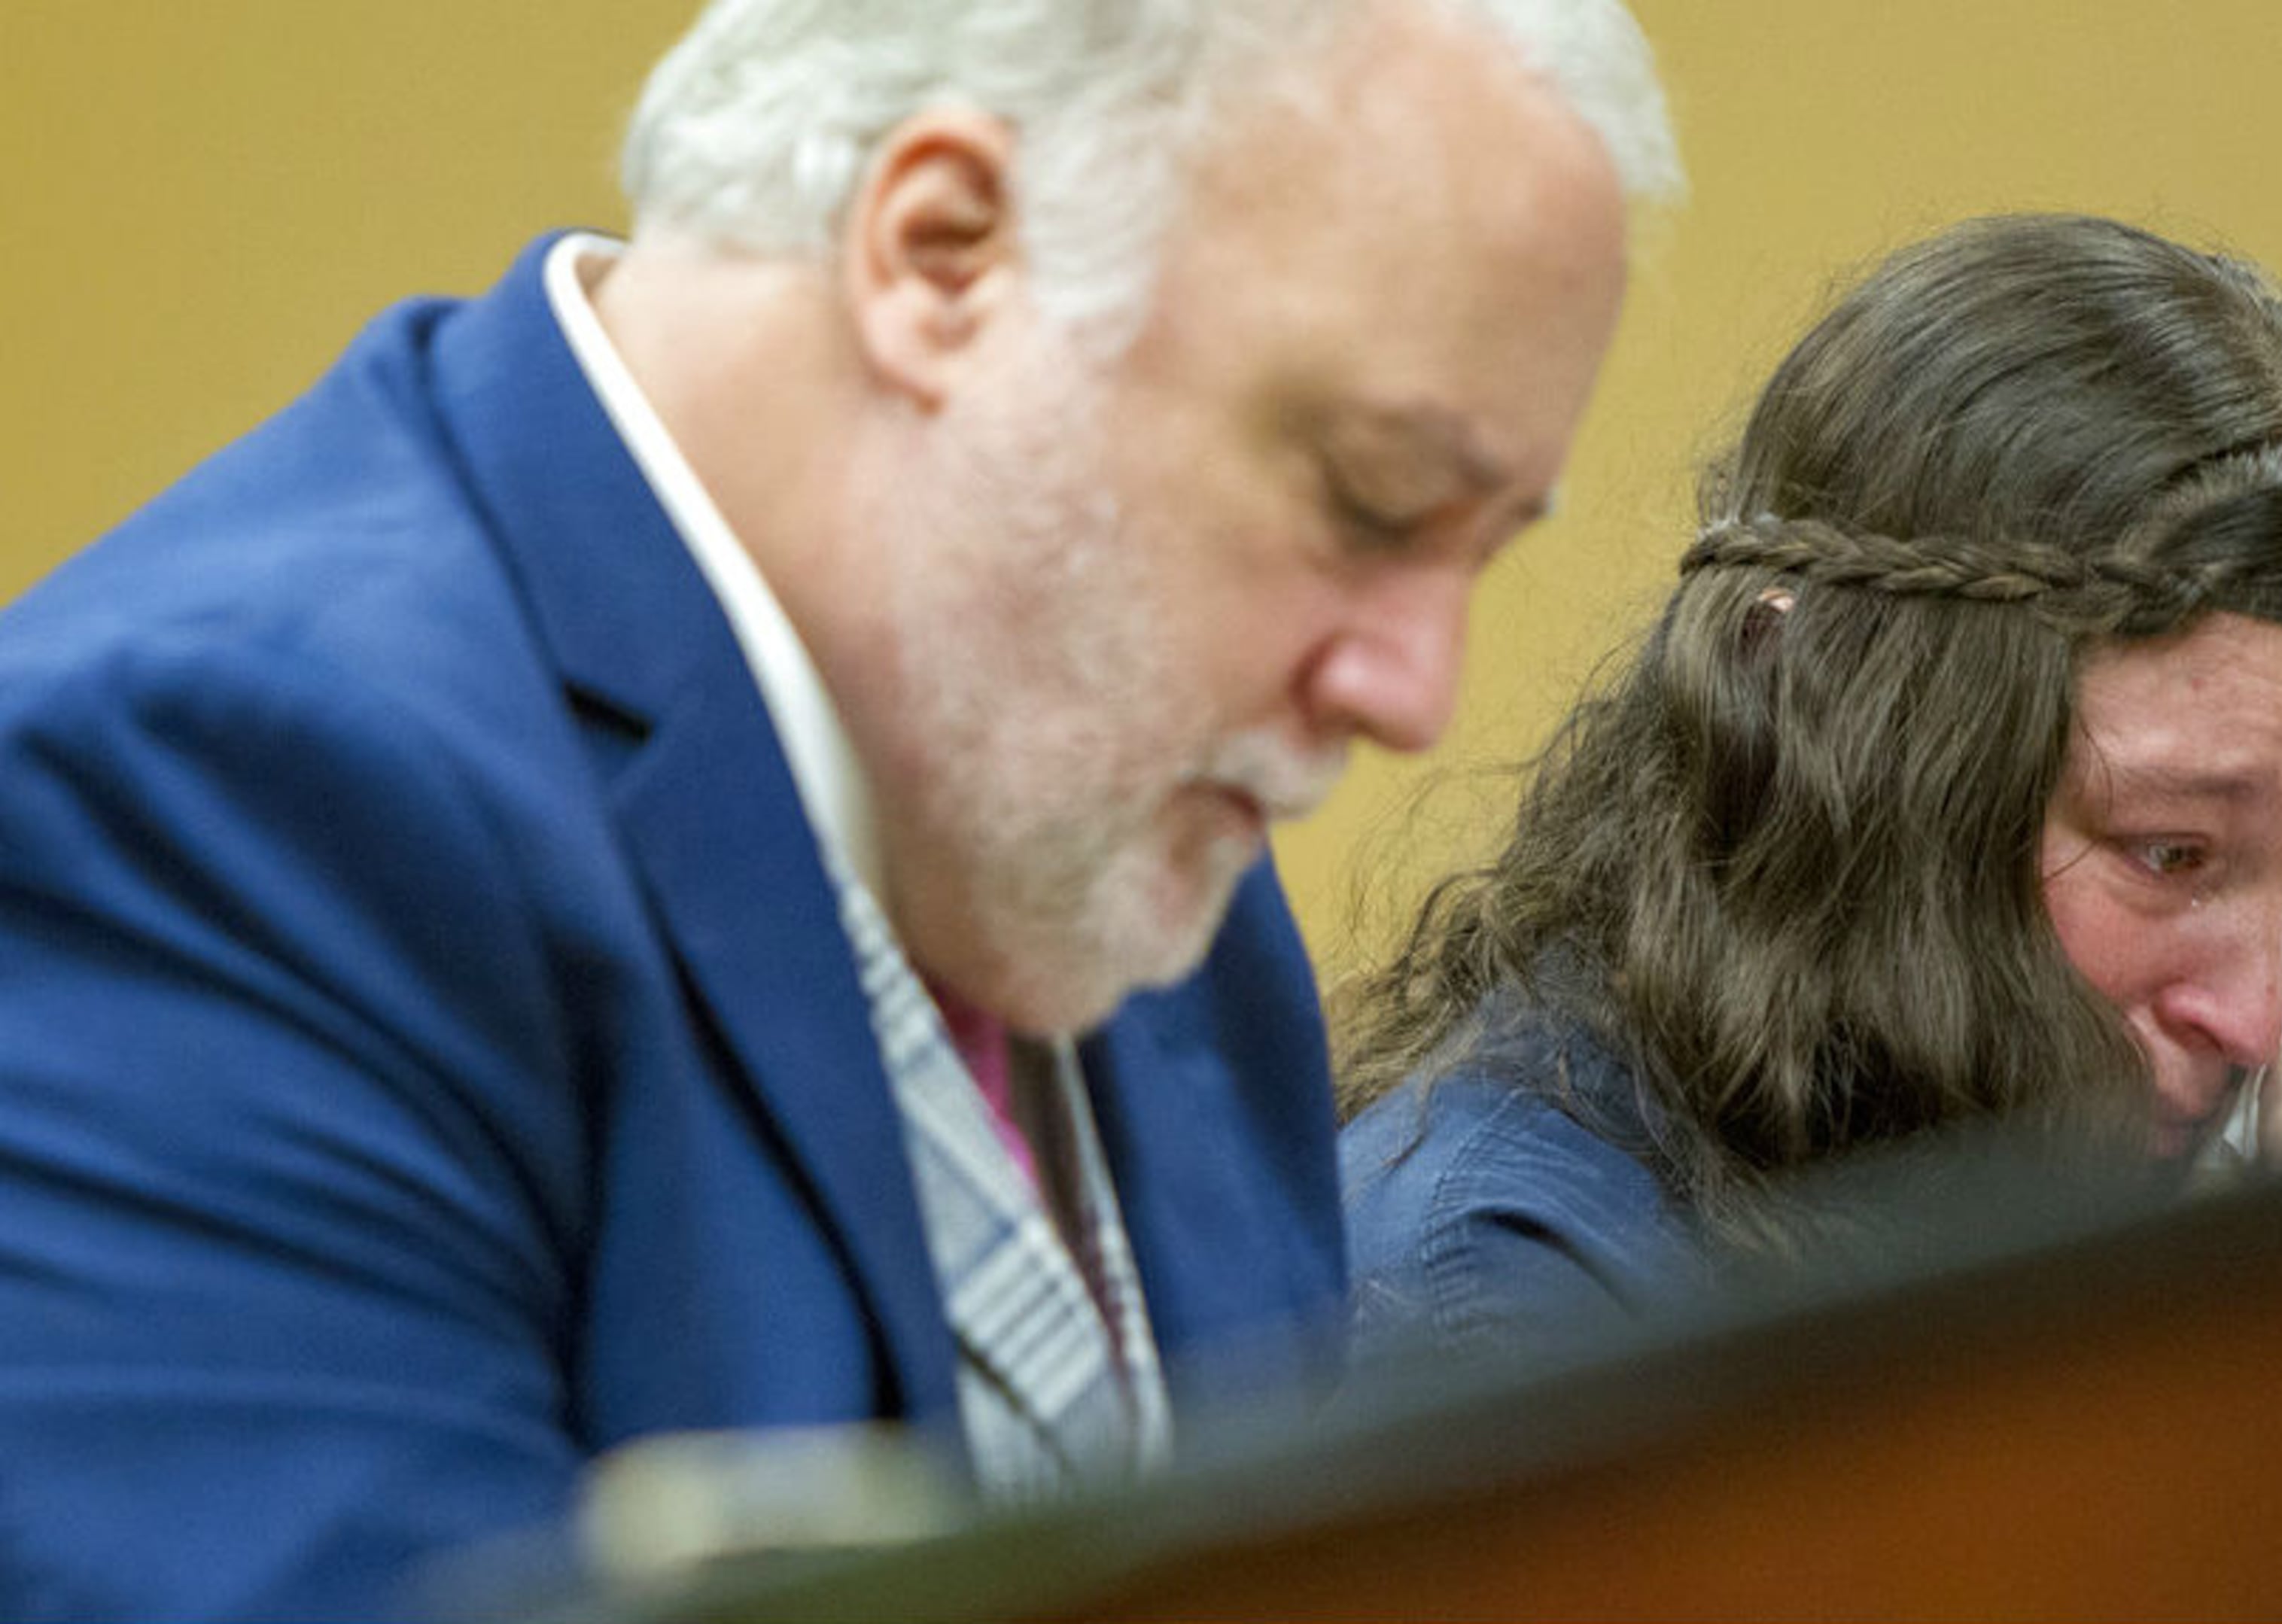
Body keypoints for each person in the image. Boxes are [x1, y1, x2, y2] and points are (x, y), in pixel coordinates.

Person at [0, 2, 1678, 1616]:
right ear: (942, 252)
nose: (1417, 691)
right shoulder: (221, 799)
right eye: (1372, 499)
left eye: (1487, 546)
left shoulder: (1138, 850)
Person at [1338, 214, 2282, 1361]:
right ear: (1822, 748)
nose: (2258, 1019)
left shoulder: (2033, 1202)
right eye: (2170, 853)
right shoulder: (1501, 1285)